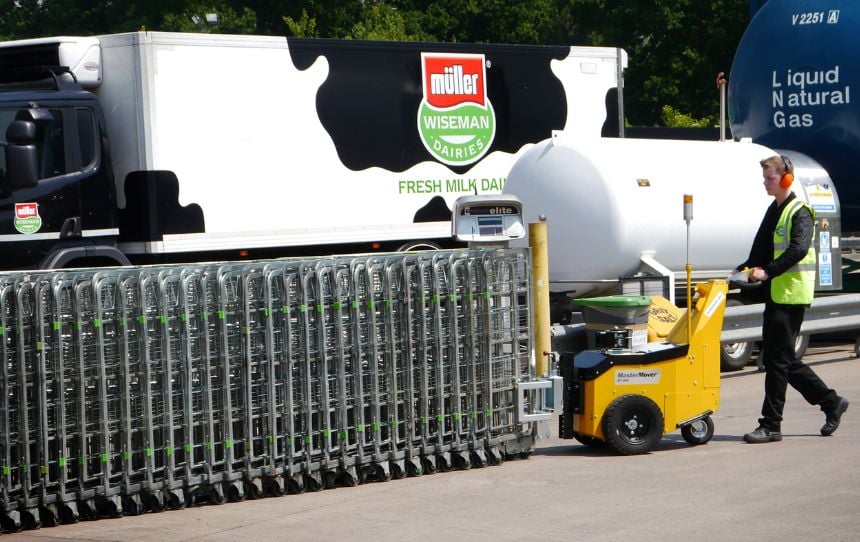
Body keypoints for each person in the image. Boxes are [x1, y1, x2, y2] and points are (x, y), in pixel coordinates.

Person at [737, 155, 848, 443]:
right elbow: (760, 249)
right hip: (777, 294)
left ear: (786, 177)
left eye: (769, 177)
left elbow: (798, 249)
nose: (765, 182)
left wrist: (767, 272)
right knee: (781, 359)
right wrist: (741, 271)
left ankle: (771, 424)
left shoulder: (800, 211)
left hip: (791, 295)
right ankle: (830, 402)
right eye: (764, 177)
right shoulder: (773, 210)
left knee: (777, 361)